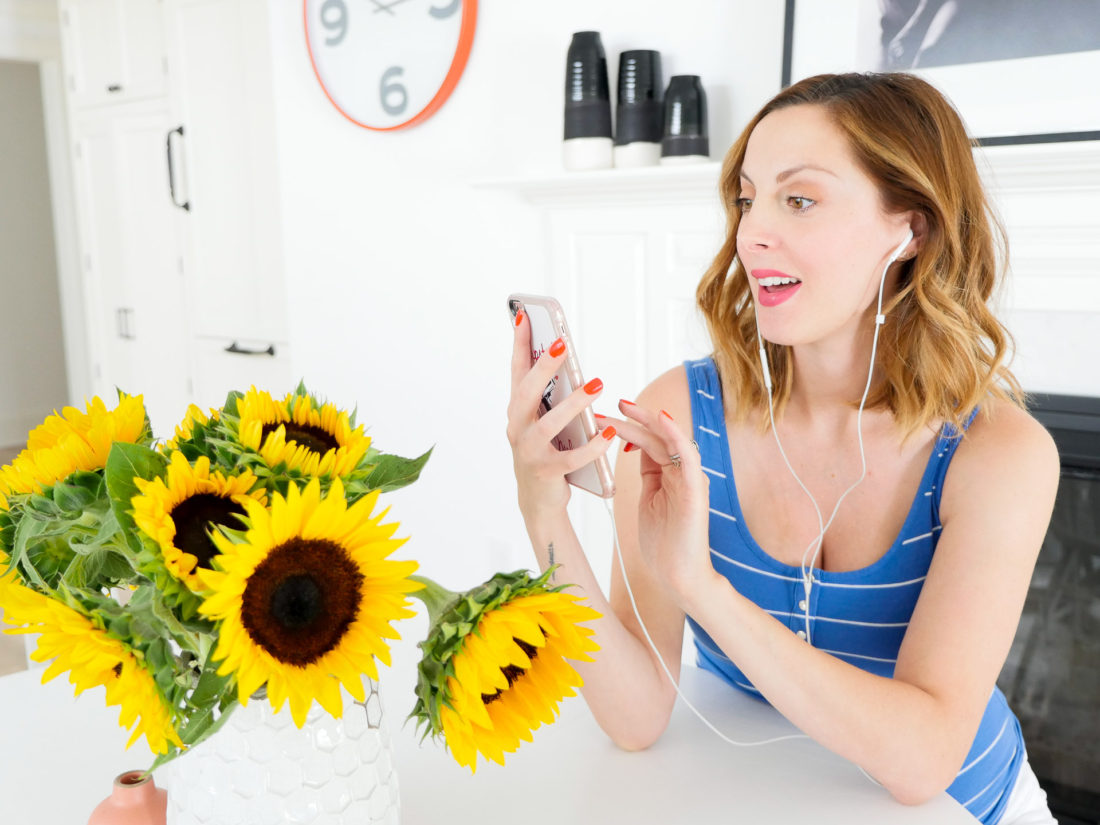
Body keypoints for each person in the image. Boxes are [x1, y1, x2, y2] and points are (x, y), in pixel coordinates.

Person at [506, 72, 1060, 825]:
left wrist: (703, 589)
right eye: (747, 197)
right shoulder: (681, 416)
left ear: (912, 228)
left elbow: (923, 761)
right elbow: (634, 716)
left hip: (970, 809)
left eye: (798, 199)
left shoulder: (999, 453)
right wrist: (544, 508)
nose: (752, 232)